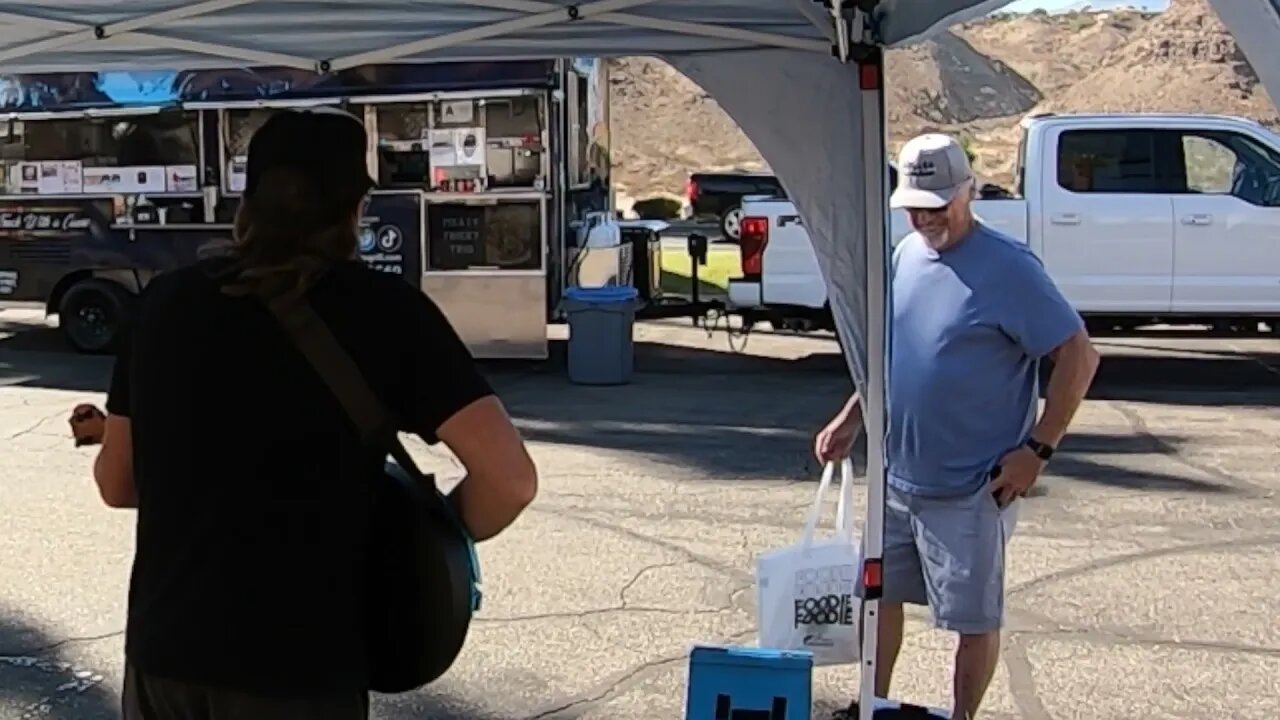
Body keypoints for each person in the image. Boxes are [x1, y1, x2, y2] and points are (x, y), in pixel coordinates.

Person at [74, 107, 538, 719]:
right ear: (354, 210)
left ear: (249, 204)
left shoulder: (164, 305)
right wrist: (431, 541)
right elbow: (509, 480)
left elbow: (117, 483)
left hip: (167, 656)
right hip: (301, 667)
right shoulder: (387, 314)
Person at [816, 133, 1099, 720]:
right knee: (879, 598)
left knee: (973, 618)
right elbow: (891, 353)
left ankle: (962, 718)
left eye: (938, 203)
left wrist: (1038, 450)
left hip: (973, 486)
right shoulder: (905, 255)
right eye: (915, 206)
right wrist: (852, 417)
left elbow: (1078, 355)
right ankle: (873, 705)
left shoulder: (1009, 268)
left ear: (969, 190)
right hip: (897, 479)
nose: (926, 217)